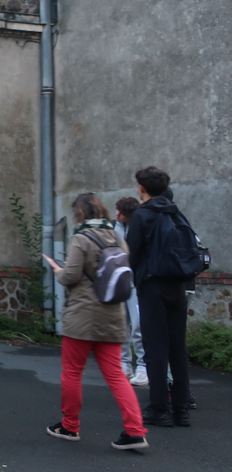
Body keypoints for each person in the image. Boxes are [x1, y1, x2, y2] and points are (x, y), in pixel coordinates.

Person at [42, 193, 148, 451]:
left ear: (79, 213)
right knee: (116, 376)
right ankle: (135, 431)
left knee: (72, 373)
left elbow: (71, 277)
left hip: (82, 317)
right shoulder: (117, 237)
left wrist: (58, 271)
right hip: (112, 316)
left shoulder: (80, 238)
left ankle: (69, 426)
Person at [125, 166, 193, 428]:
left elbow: (131, 255)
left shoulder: (143, 215)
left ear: (141, 188)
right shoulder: (176, 212)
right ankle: (181, 408)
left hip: (152, 286)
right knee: (178, 348)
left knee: (155, 348)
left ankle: (158, 408)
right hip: (178, 285)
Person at [114, 197, 148, 386]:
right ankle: (124, 364)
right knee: (121, 324)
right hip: (119, 282)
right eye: (117, 210)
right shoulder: (113, 227)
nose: (117, 215)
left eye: (122, 213)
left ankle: (143, 366)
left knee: (137, 326)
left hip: (135, 282)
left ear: (130, 216)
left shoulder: (139, 227)